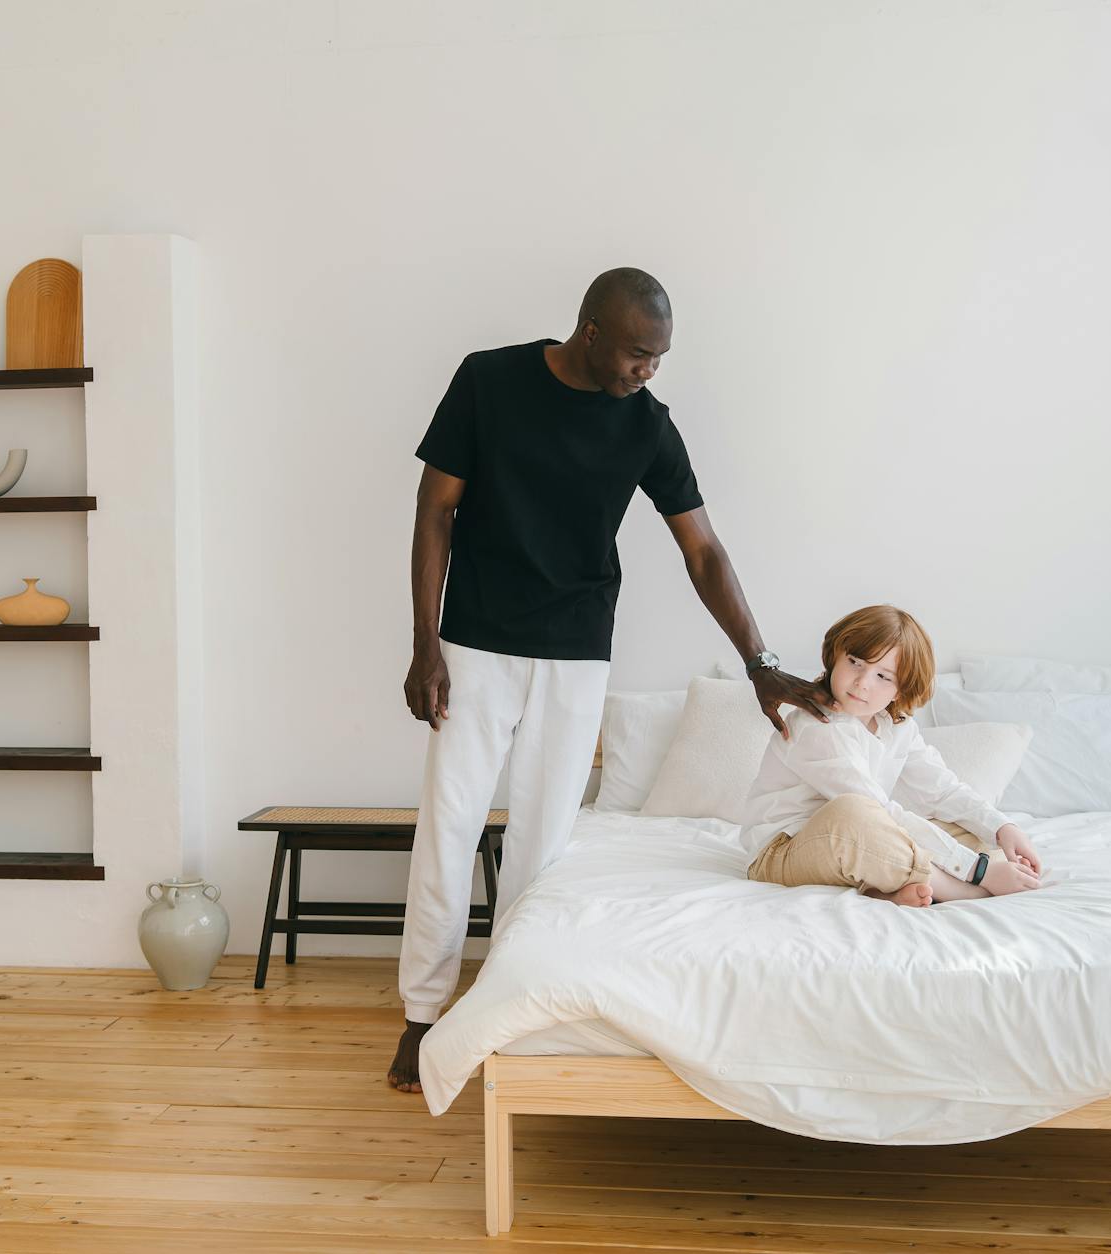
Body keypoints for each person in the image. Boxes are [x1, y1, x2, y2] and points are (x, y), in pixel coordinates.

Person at [389, 267, 829, 1092]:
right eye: (636, 354)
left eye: (659, 358)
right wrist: (424, 643)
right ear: (590, 331)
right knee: (449, 826)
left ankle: (505, 1007)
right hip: (476, 639)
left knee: (543, 840)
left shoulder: (648, 427)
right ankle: (422, 1015)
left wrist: (761, 663)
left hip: (578, 646)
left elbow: (703, 551)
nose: (647, 372)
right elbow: (434, 511)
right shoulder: (488, 380)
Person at [742, 604, 1046, 906]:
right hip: (783, 852)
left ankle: (881, 885)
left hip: (863, 843)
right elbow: (877, 811)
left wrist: (1002, 827)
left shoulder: (896, 726)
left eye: (883, 676)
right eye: (854, 662)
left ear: (900, 690)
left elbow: (942, 790)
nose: (862, 682)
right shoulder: (815, 725)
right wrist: (977, 873)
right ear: (834, 657)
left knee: (967, 832)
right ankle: (961, 891)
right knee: (855, 812)